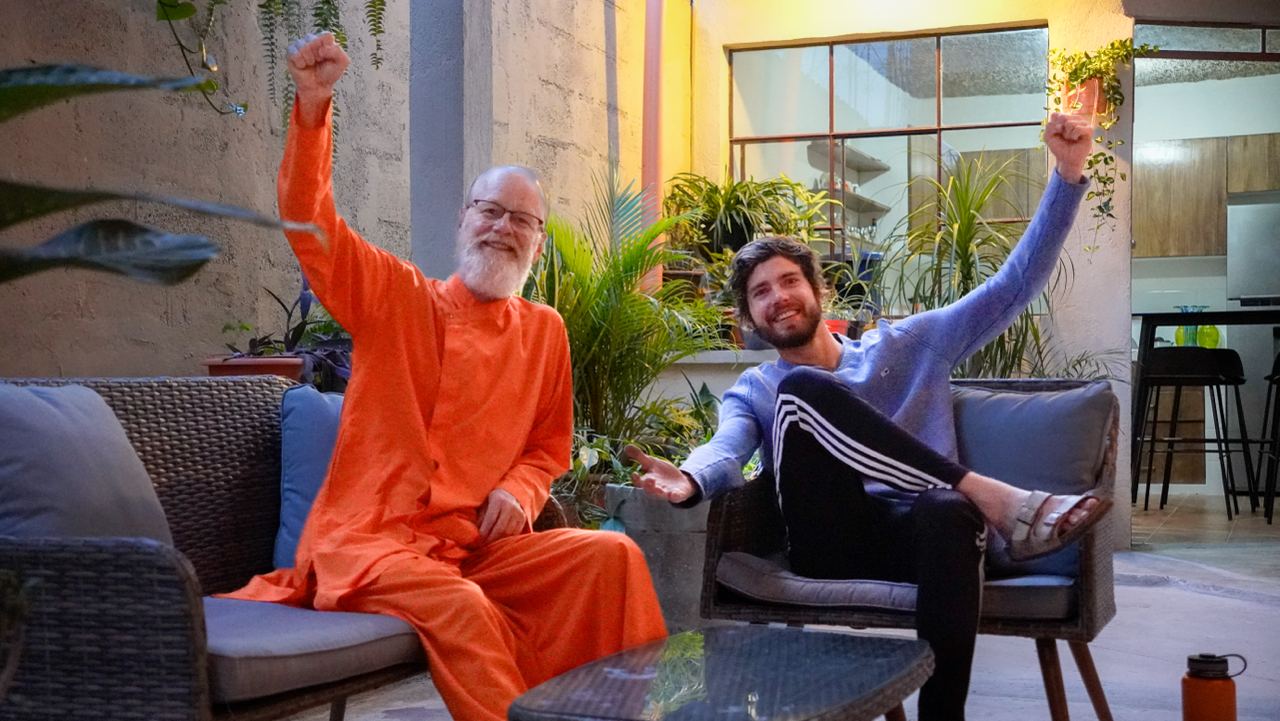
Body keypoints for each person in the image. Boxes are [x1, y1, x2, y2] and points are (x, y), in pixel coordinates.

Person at [222, 33, 667, 721]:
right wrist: (312, 106)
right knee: (462, 606)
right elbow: (313, 226)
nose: (503, 228)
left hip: (474, 547)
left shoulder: (544, 330)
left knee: (612, 556)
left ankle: (611, 714)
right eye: (490, 210)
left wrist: (520, 491)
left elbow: (548, 448)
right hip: (372, 545)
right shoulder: (396, 296)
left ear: (538, 240)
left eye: (522, 220)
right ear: (463, 219)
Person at [628, 111, 1111, 721]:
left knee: (948, 509)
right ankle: (996, 498)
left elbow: (1014, 285)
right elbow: (727, 447)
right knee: (800, 390)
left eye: (788, 281)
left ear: (818, 291)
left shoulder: (910, 345)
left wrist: (1068, 173)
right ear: (749, 319)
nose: (778, 297)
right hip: (831, 538)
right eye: (761, 292)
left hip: (923, 538)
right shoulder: (759, 386)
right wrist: (693, 478)